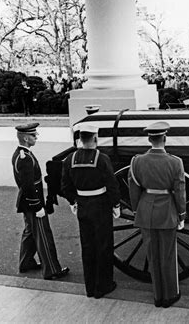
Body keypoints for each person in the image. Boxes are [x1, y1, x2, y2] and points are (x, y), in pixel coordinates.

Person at [128, 121, 186, 308]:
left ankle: (157, 296)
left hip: (146, 210)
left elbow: (134, 190)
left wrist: (137, 210)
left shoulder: (137, 161)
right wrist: (182, 214)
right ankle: (169, 296)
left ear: (149, 138)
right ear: (165, 138)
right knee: (168, 256)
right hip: (167, 212)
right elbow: (179, 191)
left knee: (153, 256)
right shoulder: (175, 162)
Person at [61, 123, 120, 299]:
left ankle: (90, 287)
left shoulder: (69, 159)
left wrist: (73, 201)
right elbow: (112, 184)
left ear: (80, 139)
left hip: (83, 206)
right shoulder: (102, 159)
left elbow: (65, 186)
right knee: (103, 245)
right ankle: (103, 285)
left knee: (87, 246)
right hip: (100, 205)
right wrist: (116, 205)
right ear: (95, 138)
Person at [11, 123, 69, 280]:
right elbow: (28, 186)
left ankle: (26, 262)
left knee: (30, 232)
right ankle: (52, 270)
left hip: (27, 201)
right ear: (25, 137)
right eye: (33, 135)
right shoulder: (25, 158)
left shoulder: (22, 154)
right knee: (43, 235)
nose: (36, 137)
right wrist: (38, 207)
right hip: (33, 202)